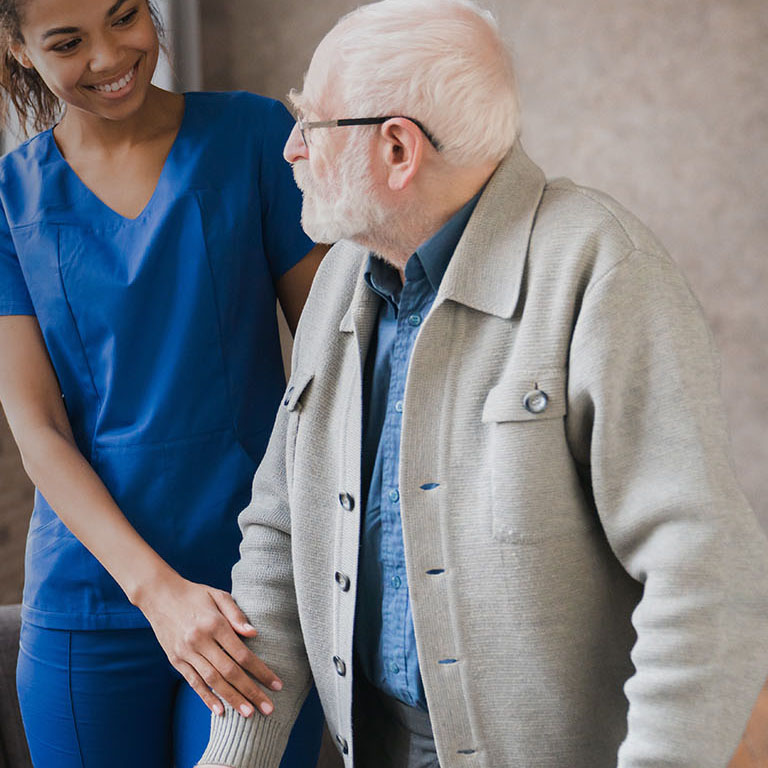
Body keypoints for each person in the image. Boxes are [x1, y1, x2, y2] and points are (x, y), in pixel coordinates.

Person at [198, 1, 768, 767]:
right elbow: (282, 533)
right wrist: (233, 758)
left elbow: (702, 569)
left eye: (314, 124)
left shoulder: (600, 268)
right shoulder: (339, 278)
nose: (293, 150)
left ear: (397, 148)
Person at [0, 0, 326, 766]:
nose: (111, 57)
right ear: (18, 50)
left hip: (255, 583)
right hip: (92, 594)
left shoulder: (252, 137)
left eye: (124, 17)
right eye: (68, 42)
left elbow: (328, 369)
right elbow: (36, 427)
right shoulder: (8, 199)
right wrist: (160, 594)